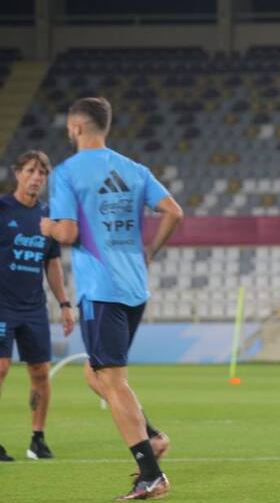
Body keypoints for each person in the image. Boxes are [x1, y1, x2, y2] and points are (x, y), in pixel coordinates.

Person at [41, 97, 183, 500]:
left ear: (75, 127)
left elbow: (67, 233)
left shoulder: (68, 172)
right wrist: (151, 251)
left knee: (112, 380)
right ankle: (151, 437)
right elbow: (174, 211)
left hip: (101, 289)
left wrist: (47, 225)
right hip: (134, 288)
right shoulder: (135, 169)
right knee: (95, 373)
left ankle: (151, 474)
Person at [0, 150, 75, 462]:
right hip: (2, 305)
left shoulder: (49, 217)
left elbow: (53, 264)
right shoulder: (2, 209)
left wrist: (65, 303)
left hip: (34, 309)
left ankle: (38, 439)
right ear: (17, 173)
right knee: (0, 368)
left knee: (41, 373)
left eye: (41, 173)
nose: (36, 177)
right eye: (30, 170)